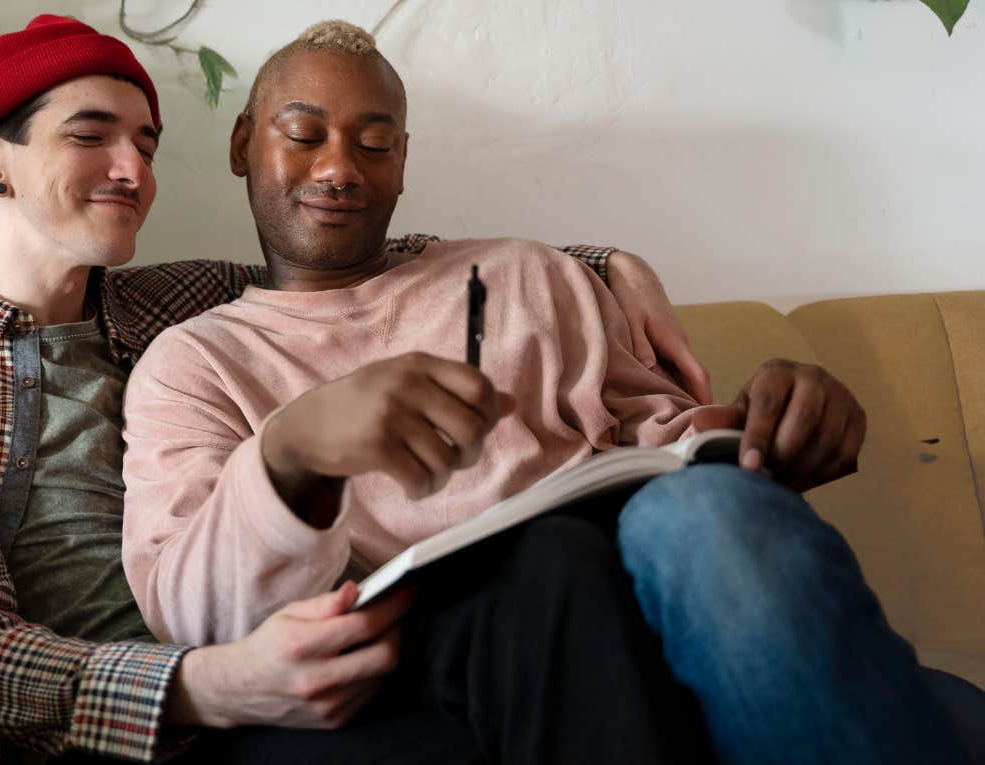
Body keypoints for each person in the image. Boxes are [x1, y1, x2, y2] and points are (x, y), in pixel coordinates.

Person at [0, 14, 704, 765]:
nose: (134, 169)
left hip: (303, 674)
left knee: (555, 575)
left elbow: (357, 247)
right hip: (141, 730)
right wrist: (210, 685)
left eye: (146, 142)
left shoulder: (174, 302)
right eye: (91, 136)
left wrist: (603, 263)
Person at [120, 20, 972, 765]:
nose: (340, 167)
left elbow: (665, 441)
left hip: (640, 582)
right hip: (442, 648)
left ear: (404, 162)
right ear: (241, 146)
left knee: (707, 511)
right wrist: (292, 452)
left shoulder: (531, 274)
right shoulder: (192, 361)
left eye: (375, 144)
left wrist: (771, 427)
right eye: (303, 134)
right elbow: (195, 612)